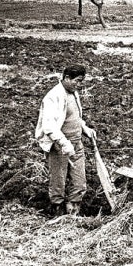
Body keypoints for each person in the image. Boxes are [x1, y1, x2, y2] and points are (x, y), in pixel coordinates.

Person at [35, 64, 96, 217]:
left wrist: (84, 128)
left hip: (76, 144)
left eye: (82, 81)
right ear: (67, 78)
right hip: (59, 146)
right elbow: (49, 126)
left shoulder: (73, 93)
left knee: (79, 182)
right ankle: (58, 213)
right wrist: (64, 143)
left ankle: (74, 212)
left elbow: (73, 116)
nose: (81, 85)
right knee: (58, 182)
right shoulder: (53, 97)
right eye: (78, 81)